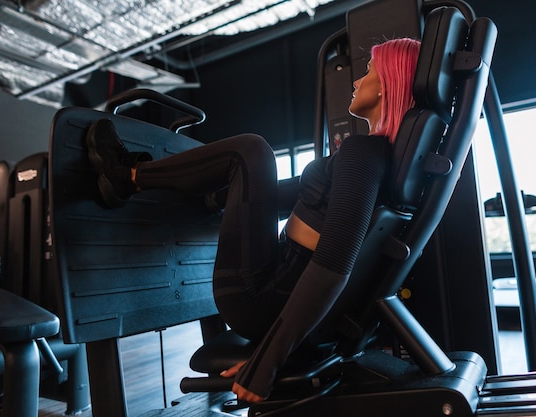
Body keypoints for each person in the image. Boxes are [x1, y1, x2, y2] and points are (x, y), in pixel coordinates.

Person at [86, 37, 421, 403]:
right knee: (247, 166)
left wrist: (268, 361)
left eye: (370, 71)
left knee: (251, 151)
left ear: (388, 82)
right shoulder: (374, 160)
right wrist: (219, 195)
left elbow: (334, 263)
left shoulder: (365, 153)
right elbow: (285, 195)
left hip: (260, 298)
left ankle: (128, 175)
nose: (357, 81)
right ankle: (202, 197)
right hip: (275, 288)